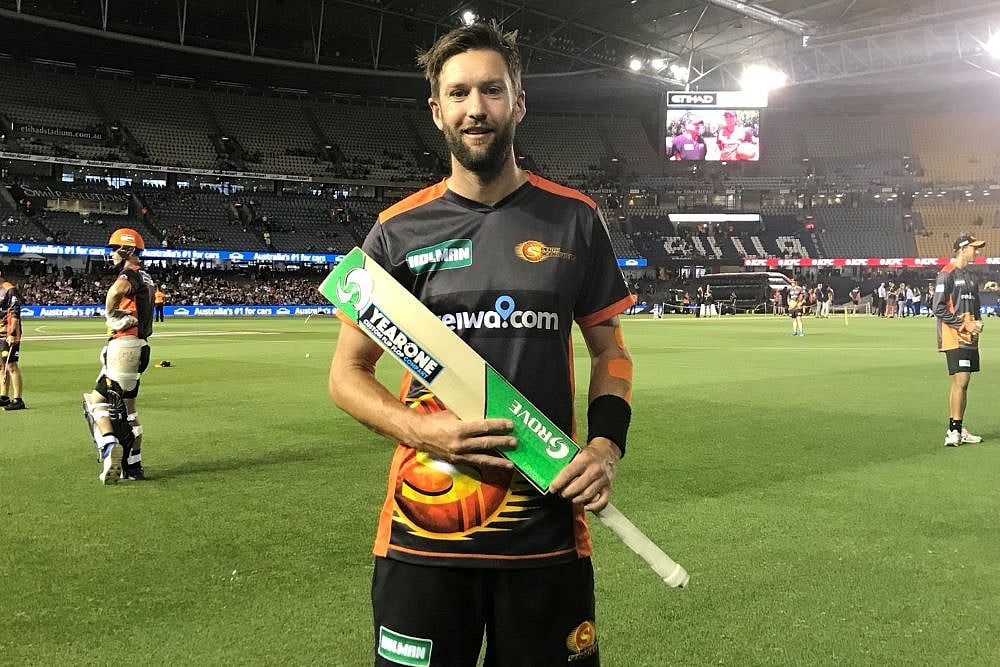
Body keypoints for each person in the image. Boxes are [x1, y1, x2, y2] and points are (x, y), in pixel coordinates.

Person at [328, 21, 634, 667]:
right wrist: (421, 430)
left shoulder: (574, 219)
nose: (476, 108)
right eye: (459, 93)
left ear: (518, 103)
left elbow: (612, 353)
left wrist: (607, 447)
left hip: (546, 530)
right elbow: (347, 374)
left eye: (492, 90)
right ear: (436, 110)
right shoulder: (397, 230)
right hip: (424, 534)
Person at [82, 228, 155, 483]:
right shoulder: (146, 275)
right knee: (129, 410)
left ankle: (108, 443)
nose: (112, 253)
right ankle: (133, 467)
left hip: (123, 345)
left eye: (115, 249)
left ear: (128, 250)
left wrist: (111, 313)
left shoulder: (130, 272)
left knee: (94, 401)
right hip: (140, 347)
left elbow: (116, 290)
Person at [933, 234, 987, 447]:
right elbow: (938, 308)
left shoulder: (972, 277)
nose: (977, 252)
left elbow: (976, 305)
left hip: (970, 338)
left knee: (965, 383)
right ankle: (953, 431)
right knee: (961, 381)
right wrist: (965, 324)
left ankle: (959, 428)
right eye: (974, 248)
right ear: (962, 249)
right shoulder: (946, 274)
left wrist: (978, 321)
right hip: (954, 336)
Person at [0, 267, 25, 410]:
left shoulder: (9, 290)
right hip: (1, 331)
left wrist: (12, 333)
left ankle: (18, 399)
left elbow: (15, 312)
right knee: (2, 365)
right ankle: (4, 396)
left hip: (10, 333)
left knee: (11, 365)